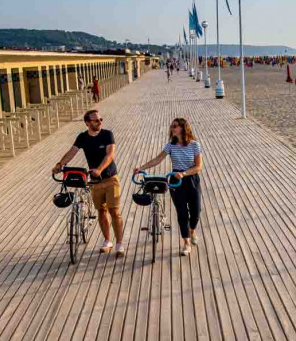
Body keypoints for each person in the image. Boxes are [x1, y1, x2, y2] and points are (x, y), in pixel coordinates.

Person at [53, 109, 124, 256]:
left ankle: (119, 244)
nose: (100, 122)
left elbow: (110, 155)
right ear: (87, 122)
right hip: (95, 182)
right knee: (101, 211)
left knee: (114, 212)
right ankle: (107, 241)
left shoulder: (107, 134)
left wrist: (99, 169)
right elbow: (72, 152)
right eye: (96, 120)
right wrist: (60, 164)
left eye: (100, 119)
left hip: (111, 178)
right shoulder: (82, 137)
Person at [133, 117, 203, 256]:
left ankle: (192, 231)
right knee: (182, 213)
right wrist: (141, 167)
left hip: (191, 179)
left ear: (183, 128)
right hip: (176, 181)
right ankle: (186, 243)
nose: (173, 128)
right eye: (172, 126)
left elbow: (198, 166)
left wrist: (184, 173)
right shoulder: (170, 145)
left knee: (196, 211)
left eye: (176, 126)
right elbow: (158, 159)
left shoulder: (195, 145)